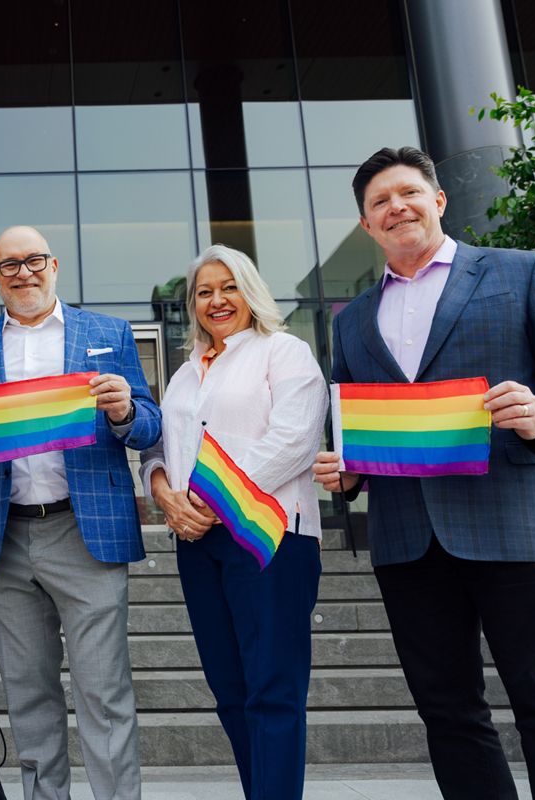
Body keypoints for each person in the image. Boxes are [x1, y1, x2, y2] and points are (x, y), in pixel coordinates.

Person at [312, 146, 535, 800]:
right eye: (379, 202)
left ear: (437, 200)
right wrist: (348, 473)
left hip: (516, 526)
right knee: (449, 714)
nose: (396, 206)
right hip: (409, 543)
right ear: (367, 226)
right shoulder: (350, 322)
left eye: (408, 192)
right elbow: (357, 425)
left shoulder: (521, 273)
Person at [0, 225, 161, 800]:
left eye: (33, 260)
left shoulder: (108, 333)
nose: (24, 272)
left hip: (84, 530)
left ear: (54, 264)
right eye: (9, 265)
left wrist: (122, 413)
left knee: (103, 691)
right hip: (5, 535)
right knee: (27, 690)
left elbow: (149, 423)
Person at [139, 245, 326, 800]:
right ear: (193, 304)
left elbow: (292, 442)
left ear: (250, 291)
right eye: (204, 291)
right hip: (198, 543)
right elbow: (160, 453)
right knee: (229, 688)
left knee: (272, 689)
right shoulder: (183, 374)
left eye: (229, 287)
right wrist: (165, 495)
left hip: (269, 538)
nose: (217, 300)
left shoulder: (284, 352)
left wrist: (206, 498)